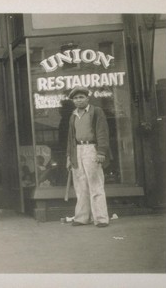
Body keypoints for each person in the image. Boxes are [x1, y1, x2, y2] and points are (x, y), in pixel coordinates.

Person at [66, 86, 110, 228]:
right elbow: (70, 138)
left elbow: (102, 132)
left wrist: (101, 152)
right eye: (76, 98)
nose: (79, 100)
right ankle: (82, 217)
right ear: (73, 101)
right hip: (77, 150)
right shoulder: (73, 115)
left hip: (92, 148)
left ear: (87, 98)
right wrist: (69, 156)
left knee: (95, 184)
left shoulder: (96, 111)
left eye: (81, 97)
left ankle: (101, 218)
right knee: (80, 185)